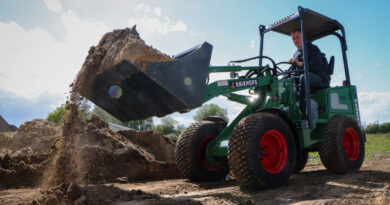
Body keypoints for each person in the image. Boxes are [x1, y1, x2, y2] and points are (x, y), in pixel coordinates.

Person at [289, 28, 328, 118]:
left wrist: (299, 63)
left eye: (297, 37)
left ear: (303, 37)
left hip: (318, 77)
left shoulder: (313, 49)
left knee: (304, 77)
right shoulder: (295, 53)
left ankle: (302, 110)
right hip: (304, 78)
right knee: (288, 81)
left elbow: (316, 67)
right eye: (293, 38)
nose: (295, 40)